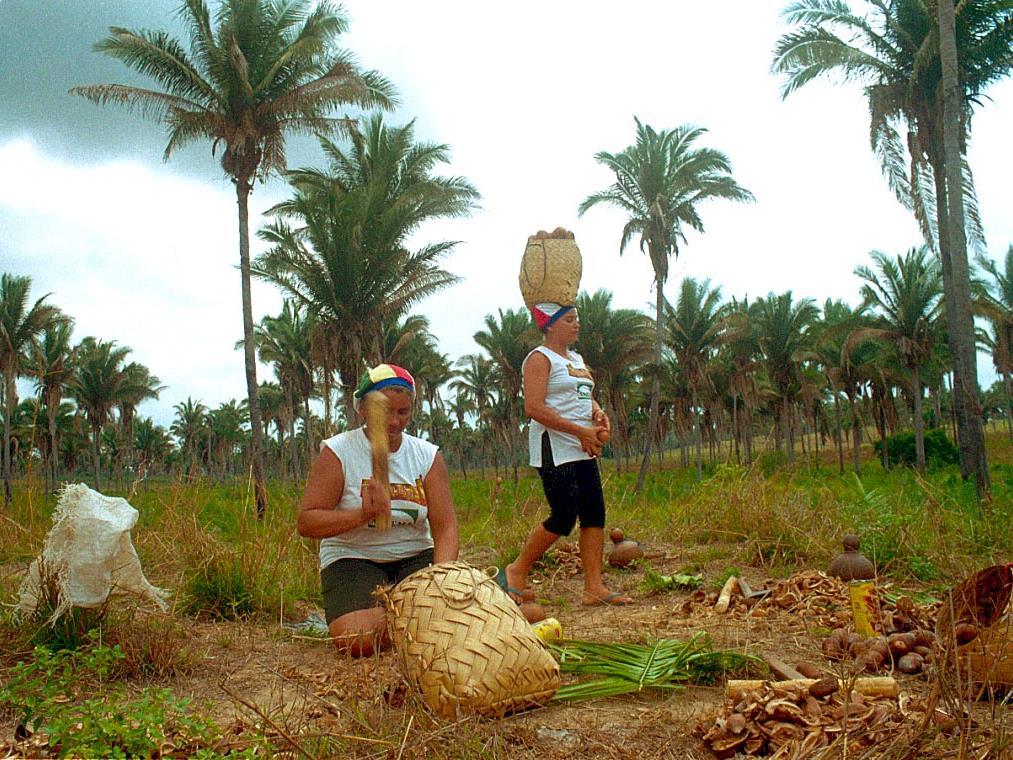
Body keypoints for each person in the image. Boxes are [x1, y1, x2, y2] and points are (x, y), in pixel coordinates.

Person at [297, 363, 459, 656]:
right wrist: (361, 515)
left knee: (447, 603)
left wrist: (442, 576)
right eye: (385, 412)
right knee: (355, 639)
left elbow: (445, 527)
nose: (395, 422)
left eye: (403, 412)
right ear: (362, 409)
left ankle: (412, 613)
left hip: (413, 556)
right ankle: (421, 620)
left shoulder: (427, 456)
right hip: (353, 557)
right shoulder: (338, 452)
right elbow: (307, 523)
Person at [502, 303, 633, 606]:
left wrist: (598, 413)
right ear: (549, 325)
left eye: (577, 320)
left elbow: (584, 395)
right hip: (555, 446)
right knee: (563, 516)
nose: (577, 325)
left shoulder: (576, 359)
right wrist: (580, 431)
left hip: (581, 445)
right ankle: (517, 569)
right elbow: (533, 408)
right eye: (570, 320)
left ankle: (593, 587)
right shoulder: (539, 358)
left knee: (594, 512)